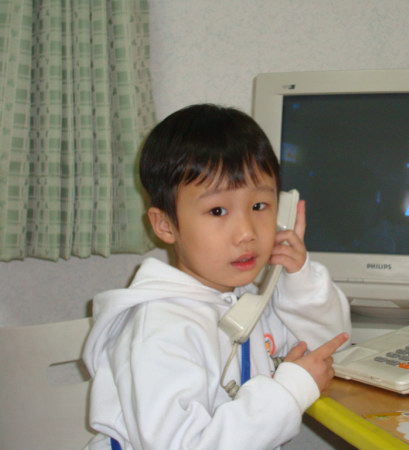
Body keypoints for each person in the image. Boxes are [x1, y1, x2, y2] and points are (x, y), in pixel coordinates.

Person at [83, 104, 351, 449]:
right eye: (218, 210)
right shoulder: (160, 329)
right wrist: (288, 391)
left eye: (259, 206)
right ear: (165, 225)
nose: (247, 232)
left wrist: (300, 281)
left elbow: (327, 351)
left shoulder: (250, 298)